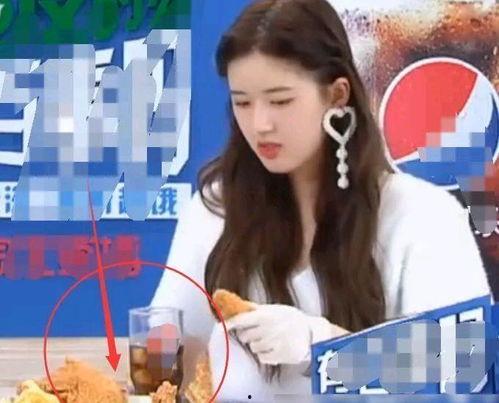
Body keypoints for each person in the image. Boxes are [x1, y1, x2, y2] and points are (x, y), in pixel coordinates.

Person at [151, 0, 492, 400]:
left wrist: (322, 345)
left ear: (337, 95)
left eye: (281, 101)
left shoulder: (422, 216)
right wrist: (157, 365)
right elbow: (166, 339)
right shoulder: (215, 209)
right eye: (242, 102)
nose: (260, 124)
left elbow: (465, 366)